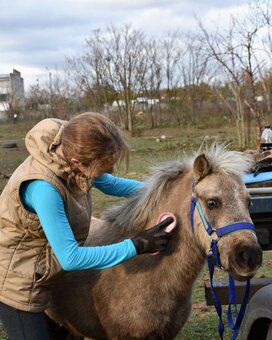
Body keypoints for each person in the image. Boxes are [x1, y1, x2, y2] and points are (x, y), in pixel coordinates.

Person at [0, 112, 175, 340]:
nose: (110, 171)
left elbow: (109, 183)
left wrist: (166, 190)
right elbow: (71, 257)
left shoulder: (72, 148)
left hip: (45, 269)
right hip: (17, 281)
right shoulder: (44, 189)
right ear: (76, 162)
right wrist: (136, 245)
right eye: (104, 166)